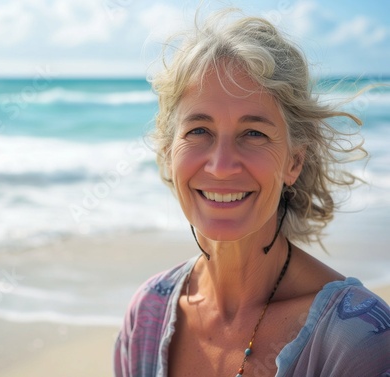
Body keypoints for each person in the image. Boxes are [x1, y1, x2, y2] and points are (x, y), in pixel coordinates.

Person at [114, 8, 390, 377]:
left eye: (254, 133)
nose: (222, 165)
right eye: (198, 130)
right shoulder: (147, 316)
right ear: (168, 152)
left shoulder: (358, 340)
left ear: (294, 161)